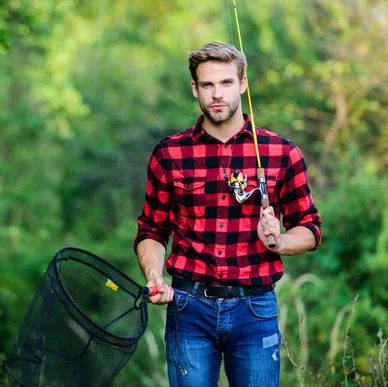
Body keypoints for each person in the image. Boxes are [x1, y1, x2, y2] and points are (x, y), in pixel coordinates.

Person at [133, 41, 322, 387]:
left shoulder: (280, 153)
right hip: (187, 308)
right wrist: (154, 273)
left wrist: (279, 241)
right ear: (195, 89)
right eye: (207, 85)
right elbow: (152, 231)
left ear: (243, 84)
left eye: (226, 83)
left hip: (254, 309)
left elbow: (310, 228)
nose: (217, 94)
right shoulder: (169, 153)